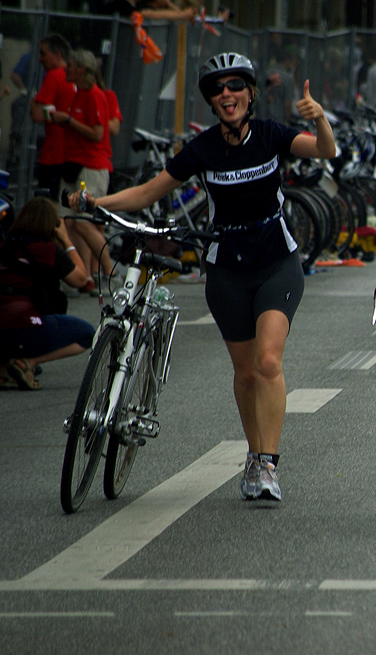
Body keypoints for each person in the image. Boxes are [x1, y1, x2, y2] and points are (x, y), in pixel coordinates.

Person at [69, 52, 338, 501]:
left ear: (251, 94)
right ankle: (253, 455)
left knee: (268, 361)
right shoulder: (204, 148)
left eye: (235, 86)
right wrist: (98, 204)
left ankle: (268, 464)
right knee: (246, 372)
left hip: (276, 262)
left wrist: (321, 118)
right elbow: (148, 192)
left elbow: (325, 150)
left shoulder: (272, 135)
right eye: (217, 89)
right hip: (227, 268)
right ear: (211, 102)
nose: (227, 94)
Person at [0, 197, 94, 391]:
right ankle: (28, 362)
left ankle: (3, 367)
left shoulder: (5, 246)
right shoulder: (46, 250)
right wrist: (66, 240)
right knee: (88, 334)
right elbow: (80, 279)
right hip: (25, 326)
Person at [50, 50, 116, 295]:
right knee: (70, 221)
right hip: (75, 165)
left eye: (70, 65)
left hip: (92, 166)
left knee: (84, 221)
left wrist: (67, 121)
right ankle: (85, 275)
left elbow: (97, 133)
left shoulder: (95, 96)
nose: (65, 69)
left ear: (81, 69)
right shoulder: (79, 95)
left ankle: (110, 272)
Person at [28, 33, 76, 202]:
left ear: (57, 55)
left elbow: (38, 115)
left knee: (47, 205)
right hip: (72, 154)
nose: (40, 59)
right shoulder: (75, 79)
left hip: (54, 154)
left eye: (43, 54)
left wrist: (34, 102)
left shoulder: (55, 76)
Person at [103, 0, 197, 21]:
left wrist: (183, 14)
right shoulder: (121, 5)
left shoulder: (135, 4)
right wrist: (182, 15)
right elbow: (147, 14)